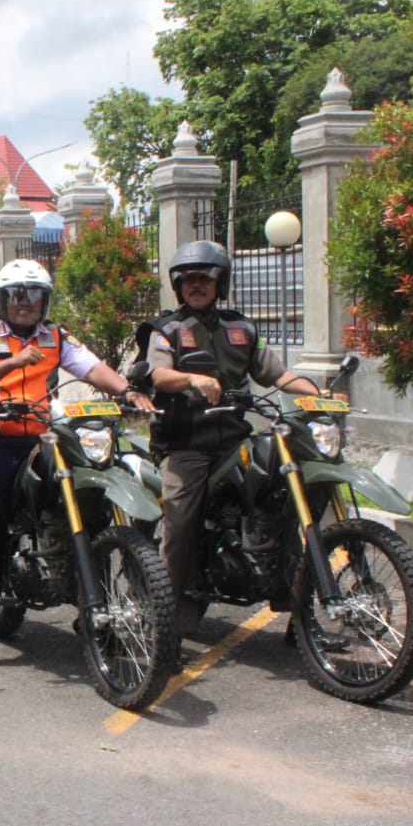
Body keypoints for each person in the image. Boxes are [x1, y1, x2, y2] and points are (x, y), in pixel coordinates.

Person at [0, 259, 139, 673]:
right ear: (2, 300)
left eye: (34, 295)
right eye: (17, 295)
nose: (25, 303)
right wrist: (15, 363)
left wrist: (127, 390)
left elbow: (91, 367)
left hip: (46, 438)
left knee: (90, 509)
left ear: (45, 301)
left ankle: (93, 606)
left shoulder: (56, 336)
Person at [144, 240, 320, 636]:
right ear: (178, 286)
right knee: (180, 518)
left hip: (234, 441)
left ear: (220, 283)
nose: (196, 285)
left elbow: (277, 375)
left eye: (204, 279)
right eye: (188, 280)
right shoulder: (167, 329)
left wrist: (319, 394)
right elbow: (159, 375)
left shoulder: (242, 328)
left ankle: (297, 608)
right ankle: (166, 614)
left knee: (281, 499)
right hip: (187, 443)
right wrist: (192, 379)